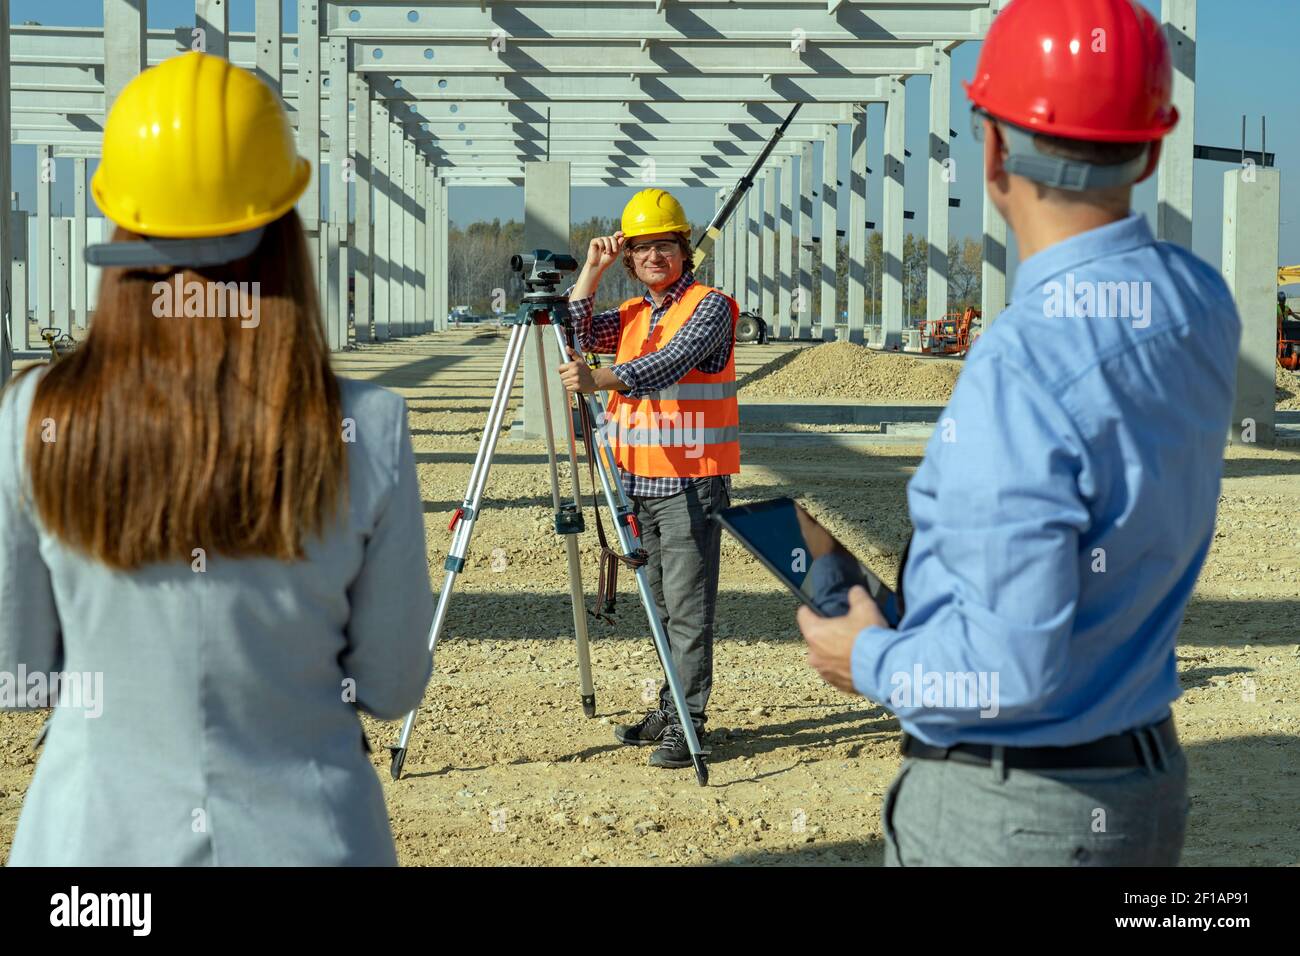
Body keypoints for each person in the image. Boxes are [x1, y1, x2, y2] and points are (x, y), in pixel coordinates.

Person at [798, 0, 1241, 866]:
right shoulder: (1200, 301)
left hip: (1017, 813)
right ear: (1151, 147)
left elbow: (1010, 670)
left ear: (993, 150)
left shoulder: (1023, 365)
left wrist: (871, 658)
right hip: (1140, 782)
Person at [0, 52, 434, 865]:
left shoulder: (33, 417)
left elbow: (16, 667)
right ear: (281, 232)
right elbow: (390, 684)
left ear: (122, 233)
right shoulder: (369, 429)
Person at [557, 189, 740, 769]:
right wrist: (592, 269)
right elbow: (573, 330)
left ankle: (689, 723)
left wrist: (602, 379)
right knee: (661, 609)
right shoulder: (635, 314)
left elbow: (671, 362)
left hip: (691, 484)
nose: (654, 256)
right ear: (630, 259)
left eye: (664, 245)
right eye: (641, 249)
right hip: (639, 485)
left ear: (684, 251)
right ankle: (670, 706)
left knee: (687, 610)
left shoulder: (712, 307)